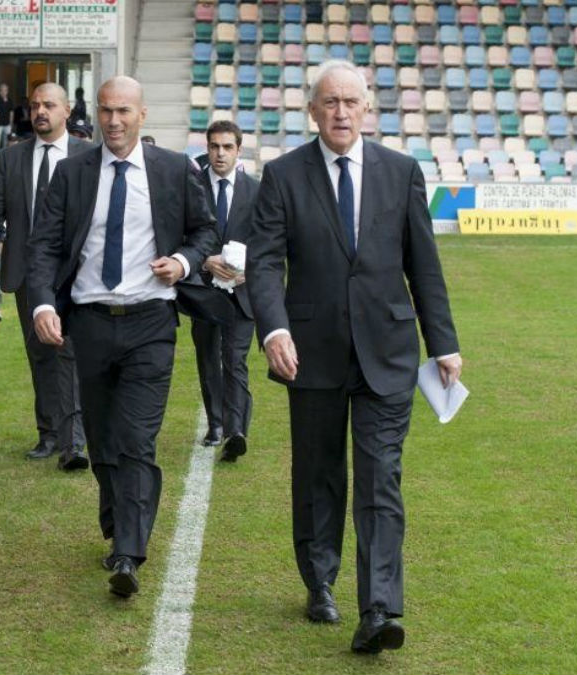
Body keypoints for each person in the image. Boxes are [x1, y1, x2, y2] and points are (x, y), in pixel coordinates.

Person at [246, 60, 462, 654]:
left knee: (380, 481)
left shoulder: (401, 172)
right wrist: (274, 329)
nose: (341, 112)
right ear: (312, 111)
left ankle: (380, 610)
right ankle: (320, 580)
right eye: (330, 102)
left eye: (351, 102)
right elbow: (263, 262)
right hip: (308, 353)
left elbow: (424, 264)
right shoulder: (283, 176)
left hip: (388, 355)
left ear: (368, 109)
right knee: (318, 476)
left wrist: (443, 342)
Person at [26, 76, 218, 597]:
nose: (114, 121)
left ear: (143, 114)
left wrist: (182, 261)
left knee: (136, 440)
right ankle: (116, 517)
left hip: (151, 323)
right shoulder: (72, 173)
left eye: (124, 111)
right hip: (88, 324)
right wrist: (45, 302)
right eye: (107, 111)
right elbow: (43, 246)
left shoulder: (175, 169)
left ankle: (129, 552)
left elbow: (206, 232)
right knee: (105, 441)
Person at [0, 82, 93, 471]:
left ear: (66, 111)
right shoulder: (11, 159)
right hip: (27, 273)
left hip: (76, 274)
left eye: (48, 105)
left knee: (73, 352)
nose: (40, 111)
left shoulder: (88, 155)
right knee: (41, 354)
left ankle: (75, 439)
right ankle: (49, 434)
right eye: (34, 105)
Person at [188, 120, 260, 461]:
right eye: (214, 146)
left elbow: (269, 241)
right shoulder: (192, 187)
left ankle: (236, 431)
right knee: (208, 359)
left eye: (227, 147)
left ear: (238, 150)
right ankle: (216, 424)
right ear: (207, 148)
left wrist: (253, 270)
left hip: (243, 293)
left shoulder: (257, 190)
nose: (220, 153)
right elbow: (180, 236)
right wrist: (205, 262)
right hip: (203, 291)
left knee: (235, 359)